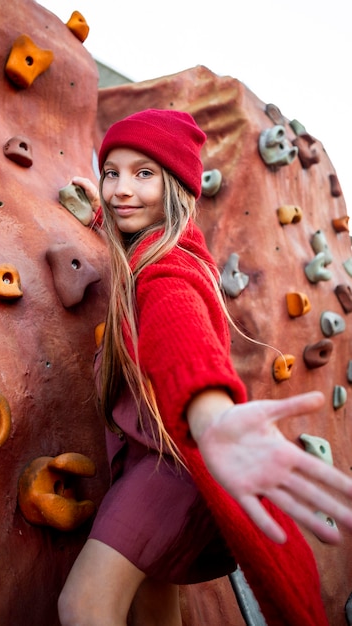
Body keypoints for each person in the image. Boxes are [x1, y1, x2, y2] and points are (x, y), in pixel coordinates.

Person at [57, 109, 352, 626]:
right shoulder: (160, 248)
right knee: (154, 610)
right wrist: (99, 214)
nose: (121, 189)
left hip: (165, 471)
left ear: (177, 187)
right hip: (161, 463)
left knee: (84, 605)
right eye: (112, 172)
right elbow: (132, 235)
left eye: (144, 174)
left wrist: (211, 415)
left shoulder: (168, 271)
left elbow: (181, 340)